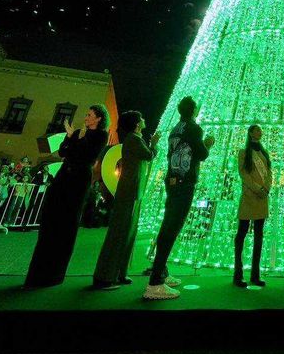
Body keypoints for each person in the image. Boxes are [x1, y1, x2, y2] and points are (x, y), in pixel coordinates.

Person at [25, 105, 110, 288]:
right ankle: (38, 273)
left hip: (79, 179)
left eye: (89, 115)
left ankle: (55, 274)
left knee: (67, 222)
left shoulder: (101, 136)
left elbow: (88, 155)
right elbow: (63, 151)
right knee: (51, 218)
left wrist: (76, 140)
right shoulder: (78, 132)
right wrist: (71, 137)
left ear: (99, 119)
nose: (85, 117)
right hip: (64, 176)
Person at [143, 96, 215, 300]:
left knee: (167, 224)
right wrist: (208, 144)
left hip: (171, 179)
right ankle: (155, 283)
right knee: (171, 227)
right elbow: (201, 154)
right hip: (184, 181)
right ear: (194, 111)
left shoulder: (176, 128)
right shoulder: (194, 128)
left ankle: (162, 272)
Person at [92, 110, 160, 290]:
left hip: (134, 192)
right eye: (142, 119)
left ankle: (119, 273)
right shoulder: (133, 139)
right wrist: (154, 144)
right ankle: (105, 276)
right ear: (137, 124)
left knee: (128, 233)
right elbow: (149, 155)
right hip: (129, 193)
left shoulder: (135, 139)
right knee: (120, 232)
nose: (145, 120)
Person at [234, 124, 272, 288]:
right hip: (249, 197)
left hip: (262, 197)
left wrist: (267, 188)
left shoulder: (264, 152)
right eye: (256, 130)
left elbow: (269, 173)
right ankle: (238, 273)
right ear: (250, 133)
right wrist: (257, 188)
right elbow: (244, 174)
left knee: (259, 236)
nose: (259, 132)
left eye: (260, 130)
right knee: (241, 234)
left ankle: (255, 274)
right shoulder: (243, 153)